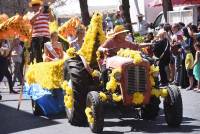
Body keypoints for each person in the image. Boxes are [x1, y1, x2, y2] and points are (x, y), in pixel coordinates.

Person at [99, 25, 139, 90]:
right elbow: (100, 48)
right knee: (104, 72)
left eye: (125, 33)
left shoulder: (127, 42)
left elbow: (137, 46)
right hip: (110, 61)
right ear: (118, 35)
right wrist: (104, 50)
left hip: (124, 62)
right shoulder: (110, 41)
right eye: (123, 33)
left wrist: (149, 44)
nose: (125, 35)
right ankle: (105, 90)